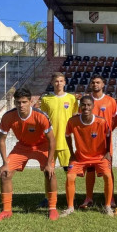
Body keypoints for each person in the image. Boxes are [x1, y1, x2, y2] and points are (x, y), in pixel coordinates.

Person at [0, 88, 58, 222]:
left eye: (24, 102)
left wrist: (49, 163)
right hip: (22, 146)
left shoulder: (41, 116)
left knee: (50, 173)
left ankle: (52, 208)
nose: (21, 105)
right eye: (18, 102)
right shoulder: (8, 116)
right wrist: (5, 163)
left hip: (42, 146)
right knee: (5, 174)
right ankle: (7, 211)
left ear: (30, 101)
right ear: (14, 102)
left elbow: (52, 140)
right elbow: (2, 140)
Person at [61, 96, 114, 217]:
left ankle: (107, 206)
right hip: (80, 157)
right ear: (80, 106)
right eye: (84, 105)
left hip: (99, 157)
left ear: (93, 106)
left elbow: (108, 135)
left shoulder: (101, 121)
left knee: (107, 175)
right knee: (70, 176)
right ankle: (70, 207)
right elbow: (67, 135)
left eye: (89, 105)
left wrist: (107, 152)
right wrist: (72, 153)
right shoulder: (72, 121)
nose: (86, 107)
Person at [38, 72, 78, 208]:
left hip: (66, 142)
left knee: (70, 173)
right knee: (48, 171)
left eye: (61, 81)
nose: (59, 83)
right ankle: (47, 197)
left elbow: (74, 118)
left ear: (65, 82)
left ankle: (71, 198)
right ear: (52, 83)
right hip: (50, 143)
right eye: (56, 81)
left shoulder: (72, 99)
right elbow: (43, 120)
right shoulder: (45, 99)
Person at [78, 74, 117, 209]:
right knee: (90, 168)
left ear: (103, 84)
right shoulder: (86, 101)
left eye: (98, 82)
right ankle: (89, 197)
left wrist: (108, 130)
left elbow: (115, 118)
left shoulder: (110, 101)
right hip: (89, 142)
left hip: (105, 141)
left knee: (108, 168)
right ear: (90, 85)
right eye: (93, 82)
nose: (95, 85)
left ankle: (111, 197)